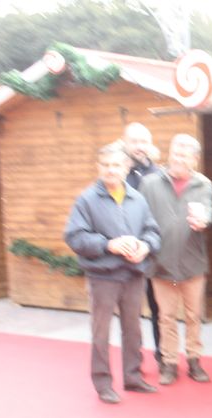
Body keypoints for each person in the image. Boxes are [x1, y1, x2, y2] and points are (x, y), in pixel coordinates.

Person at [64, 143, 161, 404]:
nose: (111, 170)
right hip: (102, 277)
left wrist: (146, 246)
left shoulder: (138, 199)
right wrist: (108, 245)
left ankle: (133, 377)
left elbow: (153, 231)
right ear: (98, 167)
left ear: (126, 168)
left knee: (133, 330)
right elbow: (74, 236)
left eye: (116, 165)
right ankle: (103, 383)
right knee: (101, 333)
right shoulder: (86, 200)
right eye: (105, 165)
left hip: (134, 275)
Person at [140, 134, 212, 386]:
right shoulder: (150, 183)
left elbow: (209, 211)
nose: (178, 158)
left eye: (184, 155)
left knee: (194, 316)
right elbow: (140, 217)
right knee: (166, 317)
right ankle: (169, 362)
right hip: (161, 263)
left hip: (192, 263)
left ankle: (194, 360)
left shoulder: (203, 184)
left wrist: (204, 220)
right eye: (175, 153)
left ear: (195, 159)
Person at [122, 122, 164, 366]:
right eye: (134, 141)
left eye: (143, 141)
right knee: (131, 312)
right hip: (126, 255)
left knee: (159, 309)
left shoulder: (159, 174)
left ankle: (163, 355)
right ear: (125, 143)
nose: (139, 146)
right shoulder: (118, 173)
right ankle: (134, 360)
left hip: (153, 252)